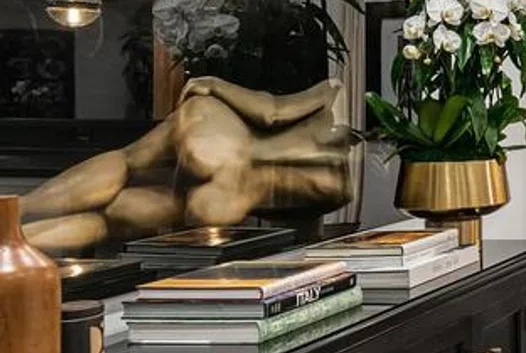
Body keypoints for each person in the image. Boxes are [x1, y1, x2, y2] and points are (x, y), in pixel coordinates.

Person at [21, 76, 354, 254]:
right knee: (112, 221)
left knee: (128, 159)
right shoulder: (341, 187)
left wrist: (215, 84)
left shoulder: (336, 93)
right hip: (226, 199)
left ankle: (15, 211)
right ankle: (17, 242)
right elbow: (299, 229)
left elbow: (271, 111)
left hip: (219, 139)